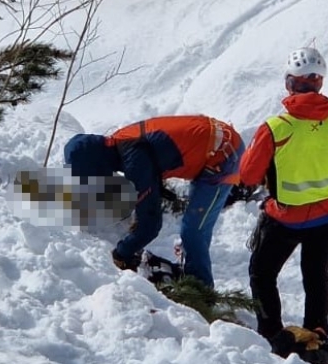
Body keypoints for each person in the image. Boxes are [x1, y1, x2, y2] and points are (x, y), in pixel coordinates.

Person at [241, 47, 328, 362]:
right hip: (326, 217)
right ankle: (318, 334)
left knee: (262, 273)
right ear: (319, 84)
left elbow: (247, 175)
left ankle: (272, 333)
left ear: (289, 83)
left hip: (283, 218)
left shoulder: (275, 128)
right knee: (316, 276)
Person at [63, 114, 243, 289]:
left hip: (222, 155)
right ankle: (194, 274)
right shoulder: (122, 139)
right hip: (217, 137)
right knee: (196, 226)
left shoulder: (134, 160)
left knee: (193, 229)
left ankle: (200, 290)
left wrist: (122, 252)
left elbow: (151, 225)